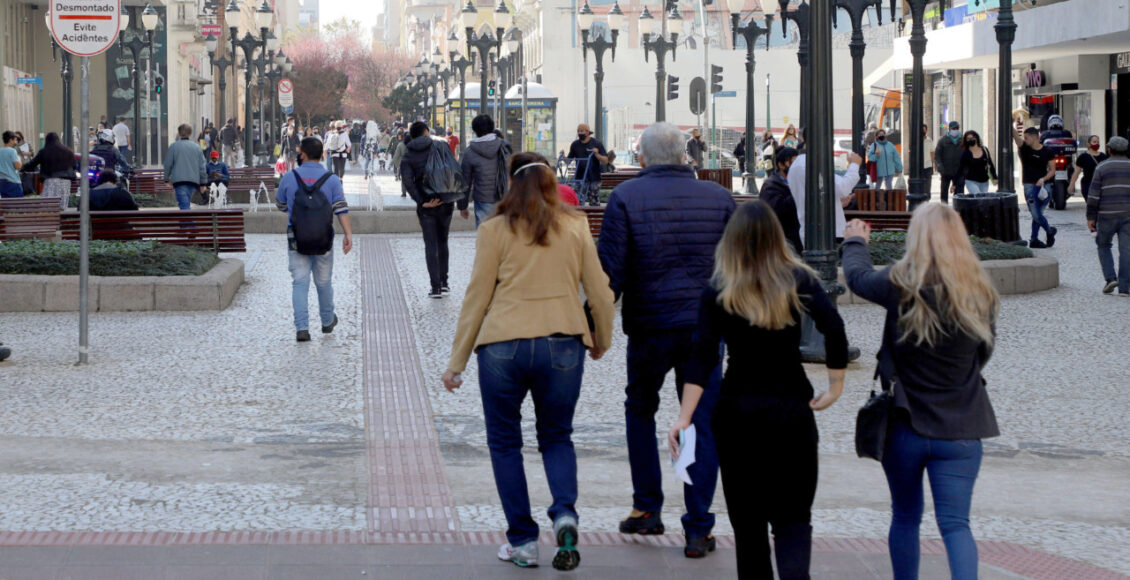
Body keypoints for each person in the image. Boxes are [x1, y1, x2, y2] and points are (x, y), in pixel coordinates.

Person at [441, 152, 615, 571]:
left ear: (511, 187)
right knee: (557, 436)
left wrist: (457, 362)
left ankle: (522, 540)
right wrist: (600, 339)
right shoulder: (574, 227)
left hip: (503, 345)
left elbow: (477, 298)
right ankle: (565, 514)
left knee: (505, 443)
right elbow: (600, 291)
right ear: (552, 186)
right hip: (563, 344)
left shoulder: (494, 229)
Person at [669, 200, 847, 579]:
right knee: (794, 520)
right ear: (776, 237)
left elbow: (702, 357)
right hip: (791, 410)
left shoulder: (718, 289)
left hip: (737, 413)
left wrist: (684, 417)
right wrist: (835, 385)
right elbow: (834, 327)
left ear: (731, 241)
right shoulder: (799, 279)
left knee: (748, 528)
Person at [597, 122, 735, 559]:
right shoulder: (718, 198)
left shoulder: (625, 198)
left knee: (640, 408)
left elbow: (610, 275)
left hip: (650, 325)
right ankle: (698, 526)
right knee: (699, 421)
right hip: (704, 330)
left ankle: (646, 506)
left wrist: (593, 327)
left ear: (641, 159)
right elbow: (735, 268)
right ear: (684, 156)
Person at [842, 204, 1000, 580]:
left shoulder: (900, 284)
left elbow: (857, 278)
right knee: (956, 525)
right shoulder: (981, 292)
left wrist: (854, 241)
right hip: (961, 426)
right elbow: (983, 354)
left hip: (905, 424)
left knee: (906, 516)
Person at [274, 137, 353, 342]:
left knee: (299, 282)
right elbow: (341, 208)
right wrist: (348, 234)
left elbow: (281, 205)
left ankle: (302, 328)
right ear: (322, 155)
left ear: (304, 154)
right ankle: (327, 321)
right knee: (324, 281)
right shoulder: (332, 179)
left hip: (296, 237)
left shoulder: (289, 177)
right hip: (323, 237)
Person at [401, 121, 457, 298]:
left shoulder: (408, 154)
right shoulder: (441, 146)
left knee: (430, 244)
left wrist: (421, 201)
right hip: (444, 200)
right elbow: (453, 169)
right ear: (426, 131)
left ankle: (435, 287)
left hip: (426, 205)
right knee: (443, 241)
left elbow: (408, 181)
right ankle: (444, 281)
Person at [1086, 136, 1130, 296]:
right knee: (1127, 250)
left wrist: (1091, 217)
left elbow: (1094, 195)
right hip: (1128, 216)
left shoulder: (1102, 168)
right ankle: (1125, 288)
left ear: (1109, 150)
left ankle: (1110, 278)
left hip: (1106, 215)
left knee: (1104, 245)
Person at [789, 150, 863, 241]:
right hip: (828, 232)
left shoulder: (797, 166)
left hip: (810, 231)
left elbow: (814, 197)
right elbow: (844, 187)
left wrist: (836, 202)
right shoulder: (811, 164)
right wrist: (854, 165)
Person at [461, 114, 513, 227]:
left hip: (482, 199)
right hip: (505, 198)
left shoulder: (470, 152)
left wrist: (462, 205)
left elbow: (465, 181)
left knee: (484, 235)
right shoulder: (504, 147)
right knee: (503, 235)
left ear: (475, 130)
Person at [1014, 126, 1057, 248]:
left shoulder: (1047, 151)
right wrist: (1011, 124)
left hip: (1044, 187)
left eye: (1026, 138)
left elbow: (1053, 170)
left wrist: (1043, 179)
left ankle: (1034, 239)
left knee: (1038, 213)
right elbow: (1016, 138)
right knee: (1036, 214)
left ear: (1034, 137)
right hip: (1029, 186)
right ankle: (1049, 231)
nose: (1024, 140)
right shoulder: (1025, 149)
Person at [757, 147, 803, 253]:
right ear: (781, 165)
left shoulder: (796, 182)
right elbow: (776, 210)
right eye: (793, 163)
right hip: (782, 241)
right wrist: (797, 193)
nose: (797, 168)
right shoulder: (771, 185)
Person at [20, 132, 74, 209]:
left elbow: (33, 162)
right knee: (62, 205)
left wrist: (22, 168)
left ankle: (49, 219)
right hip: (66, 182)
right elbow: (74, 165)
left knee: (48, 204)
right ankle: (61, 219)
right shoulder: (67, 151)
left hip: (50, 180)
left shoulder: (44, 151)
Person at [163, 124, 208, 210]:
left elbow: (168, 164)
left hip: (179, 181)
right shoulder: (197, 148)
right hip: (193, 181)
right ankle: (187, 222)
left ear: (179, 133)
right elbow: (202, 167)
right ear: (190, 133)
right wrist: (203, 183)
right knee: (185, 205)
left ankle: (189, 223)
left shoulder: (173, 147)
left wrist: (166, 179)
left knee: (184, 208)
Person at [567, 124, 608, 206]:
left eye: (582, 131)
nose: (579, 133)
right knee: (576, 197)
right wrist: (563, 156)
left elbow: (606, 161)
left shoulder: (596, 143)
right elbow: (568, 161)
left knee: (594, 200)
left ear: (588, 132)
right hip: (579, 177)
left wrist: (597, 155)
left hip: (594, 177)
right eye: (578, 131)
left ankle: (594, 216)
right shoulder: (575, 145)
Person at [1069, 134, 1109, 202]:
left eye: (1098, 142)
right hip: (1088, 185)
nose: (1096, 144)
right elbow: (1076, 172)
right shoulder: (1083, 157)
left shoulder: (1104, 157)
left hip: (1101, 185)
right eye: (1094, 142)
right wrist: (1071, 185)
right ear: (1089, 144)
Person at [957, 131, 997, 195]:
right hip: (971, 181)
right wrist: (955, 183)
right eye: (968, 139)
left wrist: (995, 177)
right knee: (978, 197)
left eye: (972, 138)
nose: (970, 140)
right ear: (966, 140)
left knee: (982, 201)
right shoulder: (965, 153)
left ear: (976, 138)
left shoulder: (984, 150)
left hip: (984, 181)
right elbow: (960, 168)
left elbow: (990, 164)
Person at [934, 121, 965, 203]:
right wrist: (940, 168)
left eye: (957, 128)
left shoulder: (963, 140)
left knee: (959, 194)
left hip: (959, 172)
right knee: (944, 192)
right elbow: (937, 155)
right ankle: (944, 210)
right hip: (946, 171)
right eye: (953, 128)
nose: (955, 130)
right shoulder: (943, 140)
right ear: (949, 129)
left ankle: (958, 210)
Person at [0, 131, 24, 198]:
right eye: (15, 140)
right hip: (12, 181)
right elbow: (18, 166)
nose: (15, 142)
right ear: (10, 140)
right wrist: (19, 159)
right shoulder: (12, 151)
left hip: (1, 181)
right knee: (18, 204)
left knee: (6, 205)